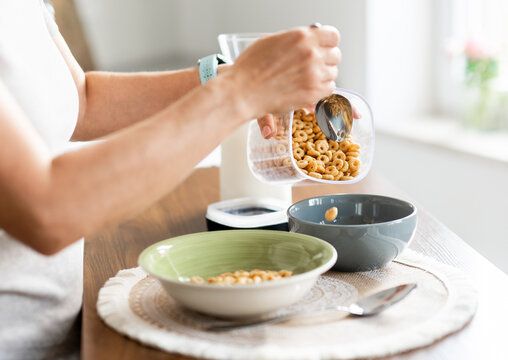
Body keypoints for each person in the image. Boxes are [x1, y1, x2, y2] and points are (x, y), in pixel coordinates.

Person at [0, 0, 340, 358]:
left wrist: (230, 76)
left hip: (68, 330)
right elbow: (47, 210)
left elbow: (82, 100)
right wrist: (241, 90)